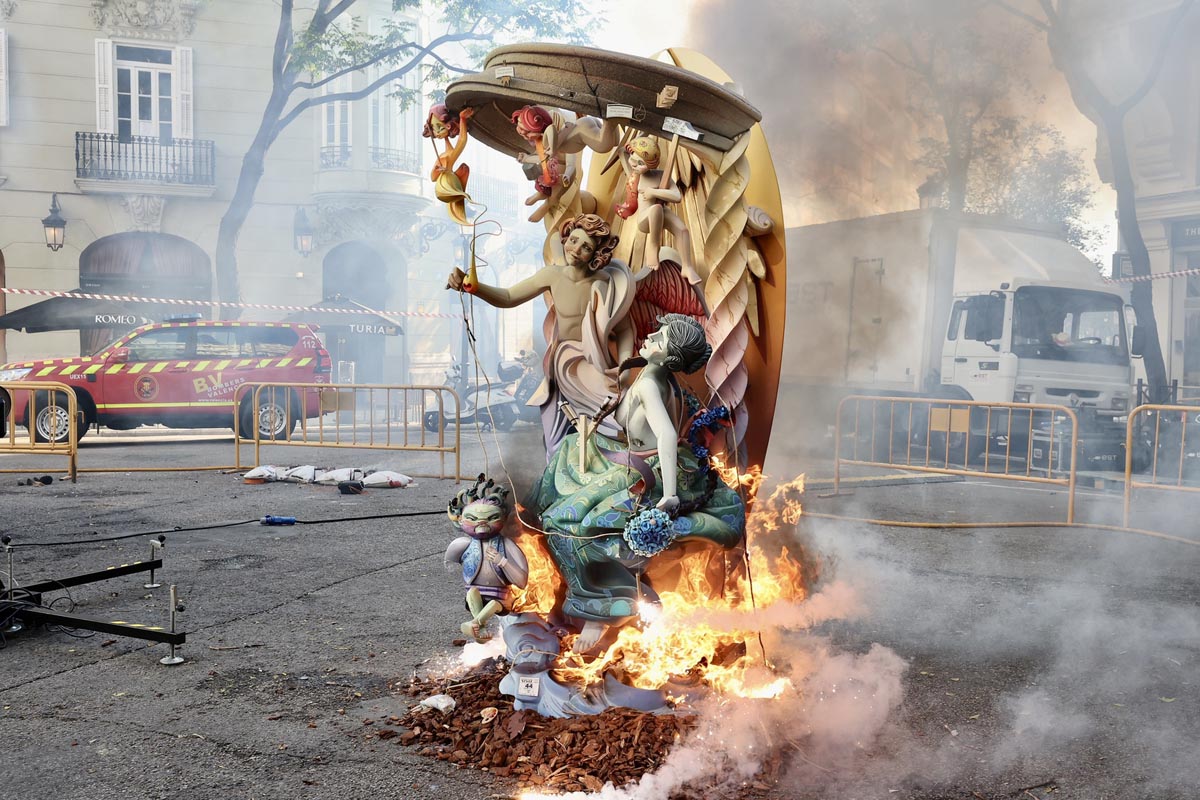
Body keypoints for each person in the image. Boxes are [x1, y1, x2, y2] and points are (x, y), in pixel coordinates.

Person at [527, 314, 745, 653]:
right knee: (569, 451)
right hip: (633, 456)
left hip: (643, 472)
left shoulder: (648, 383)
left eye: (659, 338)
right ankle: (571, 595)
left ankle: (607, 607)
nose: (651, 335)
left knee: (566, 522)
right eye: (656, 330)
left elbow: (667, 435)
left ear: (670, 357)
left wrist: (670, 494)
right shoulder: (657, 377)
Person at [447, 213, 637, 450]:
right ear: (566, 238)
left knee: (603, 433)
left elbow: (625, 329)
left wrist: (625, 369)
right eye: (574, 240)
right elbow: (508, 297)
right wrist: (473, 287)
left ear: (596, 254)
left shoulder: (606, 283)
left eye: (586, 247)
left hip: (594, 367)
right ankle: (560, 479)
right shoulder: (552, 275)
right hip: (560, 368)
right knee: (556, 439)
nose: (576, 249)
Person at [614, 135, 700, 284]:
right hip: (645, 219)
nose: (634, 165)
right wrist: (631, 144)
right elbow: (622, 152)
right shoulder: (634, 176)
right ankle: (653, 246)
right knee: (655, 209)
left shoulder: (661, 176)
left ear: (651, 164)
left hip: (661, 213)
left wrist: (653, 192)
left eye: (640, 163)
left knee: (682, 230)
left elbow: (676, 196)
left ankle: (687, 267)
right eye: (633, 160)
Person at [423, 104, 475, 224]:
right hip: (443, 186)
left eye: (440, 128)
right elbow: (432, 177)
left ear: (448, 125)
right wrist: (437, 170)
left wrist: (462, 119)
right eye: (434, 129)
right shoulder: (441, 155)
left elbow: (462, 140)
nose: (437, 133)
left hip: (448, 183)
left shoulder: (451, 154)